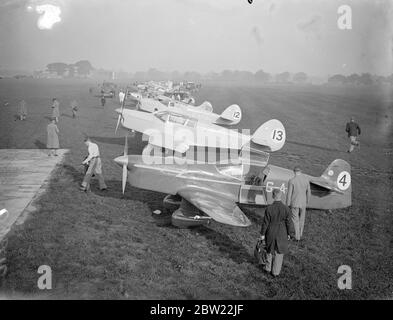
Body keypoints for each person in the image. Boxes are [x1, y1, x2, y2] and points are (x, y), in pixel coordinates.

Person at [260, 189, 294, 277]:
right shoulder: (286, 209)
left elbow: (265, 223)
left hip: (270, 231)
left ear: (272, 196)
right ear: (281, 196)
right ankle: (275, 272)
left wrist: (262, 234)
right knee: (279, 252)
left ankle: (267, 268)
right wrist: (290, 233)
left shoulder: (269, 208)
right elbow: (289, 222)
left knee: (269, 249)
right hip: (282, 232)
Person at [286, 166, 310, 241]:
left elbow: (289, 194)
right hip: (303, 203)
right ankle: (301, 233)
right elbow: (309, 192)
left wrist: (287, 204)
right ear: (301, 171)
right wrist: (307, 201)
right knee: (302, 219)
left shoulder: (292, 180)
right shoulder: (306, 180)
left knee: (295, 220)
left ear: (294, 171)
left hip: (295, 203)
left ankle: (297, 237)